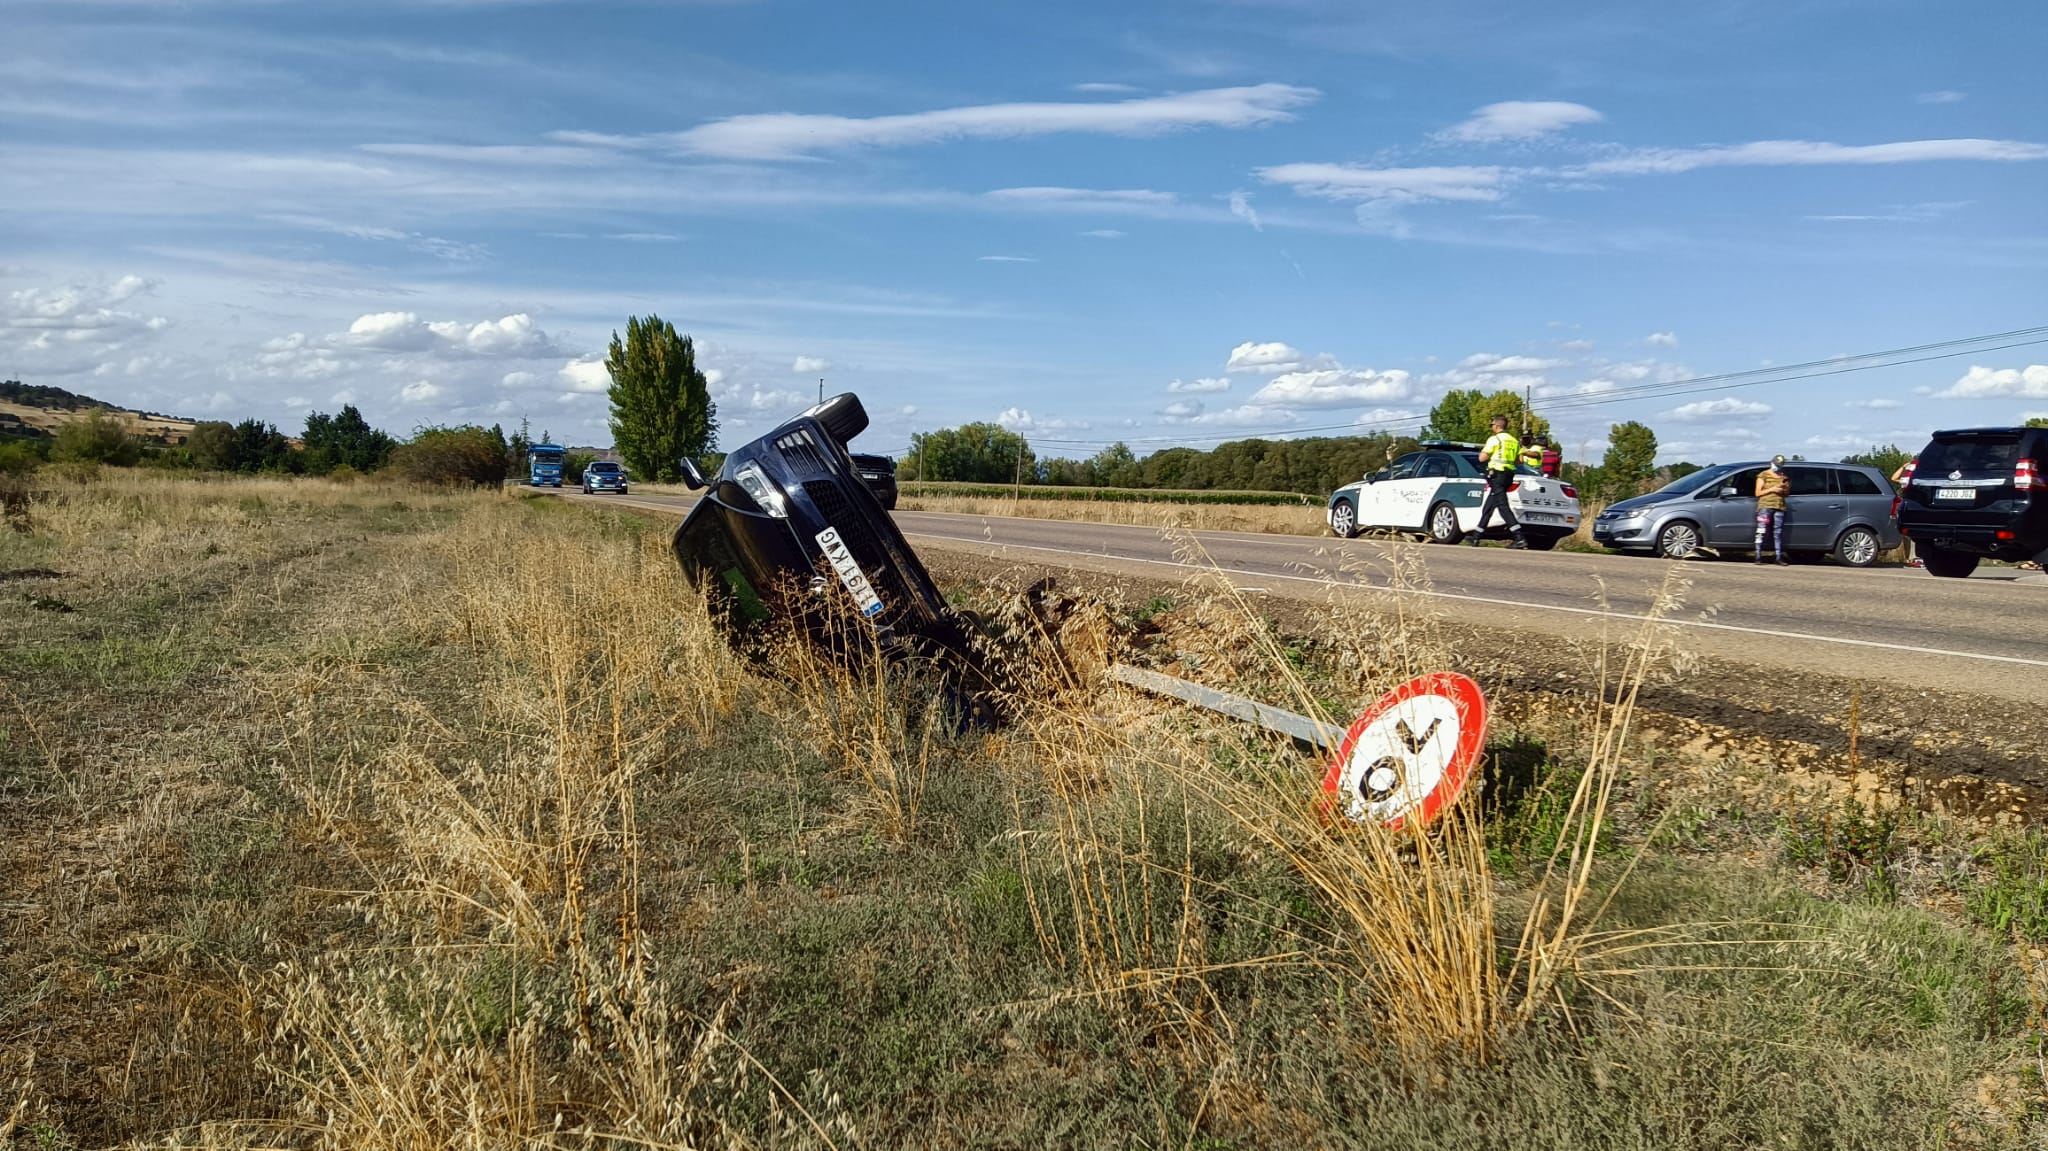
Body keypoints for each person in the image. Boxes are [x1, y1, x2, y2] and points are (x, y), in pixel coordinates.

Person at [1473, 415, 1530, 549]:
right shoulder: (1514, 441)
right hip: (1508, 475)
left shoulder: (1495, 439)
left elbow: (1482, 458)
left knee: (1503, 507)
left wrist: (1489, 455)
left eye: (1492, 425)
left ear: (1497, 426)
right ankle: (1476, 536)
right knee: (1489, 506)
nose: (1491, 427)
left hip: (1497, 475)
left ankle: (1519, 537)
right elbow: (1520, 460)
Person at [1754, 455, 1791, 565]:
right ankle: (1758, 556)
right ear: (1771, 463)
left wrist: (1784, 489)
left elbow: (1787, 494)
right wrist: (1772, 489)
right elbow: (1757, 493)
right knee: (1761, 530)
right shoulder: (1763, 475)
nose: (1778, 467)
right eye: (1777, 464)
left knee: (1778, 532)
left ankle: (1778, 557)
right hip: (1765, 506)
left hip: (1779, 506)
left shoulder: (1784, 477)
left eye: (1780, 465)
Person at [1889, 458, 1923, 568]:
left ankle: (1917, 559)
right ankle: (1911, 558)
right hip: (1906, 507)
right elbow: (1894, 478)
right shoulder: (1907, 479)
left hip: (1914, 506)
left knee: (1912, 533)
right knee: (1905, 535)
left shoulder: (1916, 479)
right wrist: (1903, 467)